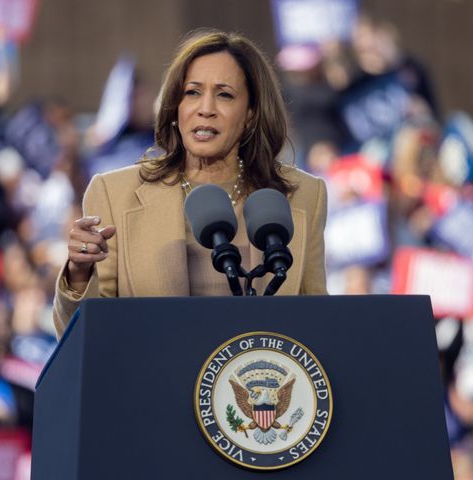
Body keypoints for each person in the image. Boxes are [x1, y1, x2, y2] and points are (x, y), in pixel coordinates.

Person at [53, 30, 328, 336]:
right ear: (175, 107)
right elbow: (85, 336)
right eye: (192, 92)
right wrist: (78, 273)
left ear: (251, 114)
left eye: (224, 94)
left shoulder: (304, 195)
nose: (205, 108)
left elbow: (317, 323)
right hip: (155, 380)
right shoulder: (115, 194)